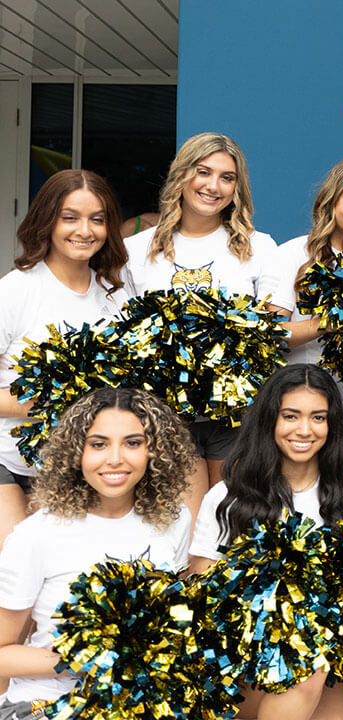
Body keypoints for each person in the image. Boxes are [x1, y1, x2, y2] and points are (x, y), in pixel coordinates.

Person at [188, 363, 343, 720]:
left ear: (332, 424)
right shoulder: (228, 495)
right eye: (291, 416)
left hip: (325, 665)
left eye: (318, 417)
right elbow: (202, 588)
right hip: (246, 667)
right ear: (269, 420)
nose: (304, 430)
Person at [0, 388, 195, 716]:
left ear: (155, 451)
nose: (115, 458)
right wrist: (91, 659)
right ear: (76, 452)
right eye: (98, 444)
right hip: (48, 705)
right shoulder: (38, 534)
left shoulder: (174, 519)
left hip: (143, 704)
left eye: (133, 443)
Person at [124, 132, 277, 498]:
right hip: (163, 415)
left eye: (227, 177)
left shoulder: (260, 248)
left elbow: (271, 335)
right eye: (203, 172)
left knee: (233, 516)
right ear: (182, 175)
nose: (214, 186)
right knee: (181, 523)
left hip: (237, 416)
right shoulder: (134, 250)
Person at [0, 170, 130, 546]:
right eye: (70, 217)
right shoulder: (16, 290)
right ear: (47, 221)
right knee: (16, 570)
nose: (84, 230)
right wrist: (56, 397)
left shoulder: (114, 298)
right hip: (9, 461)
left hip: (82, 468)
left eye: (98, 219)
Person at [261, 158, 343, 475]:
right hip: (298, 417)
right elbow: (268, 334)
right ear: (331, 199)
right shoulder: (292, 255)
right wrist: (331, 321)